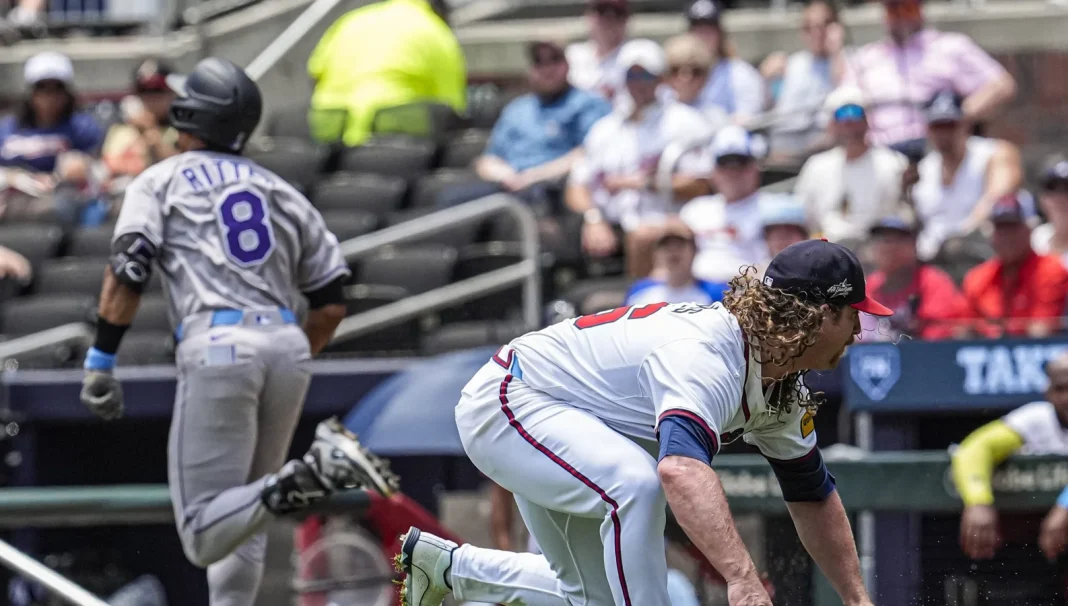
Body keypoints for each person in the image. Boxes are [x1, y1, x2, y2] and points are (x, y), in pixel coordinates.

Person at [396, 239, 888, 606]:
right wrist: (742, 579)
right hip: (511, 399)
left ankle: (453, 569)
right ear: (823, 315)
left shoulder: (781, 383)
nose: (861, 328)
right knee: (636, 486)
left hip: (568, 418)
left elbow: (812, 495)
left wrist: (857, 600)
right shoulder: (708, 355)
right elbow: (678, 470)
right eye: (855, 314)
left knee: (595, 597)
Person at [77, 57, 398, 606]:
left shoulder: (159, 178)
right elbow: (330, 305)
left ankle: (311, 472)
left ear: (186, 114)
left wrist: (101, 360)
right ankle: (296, 484)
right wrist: (288, 354)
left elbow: (130, 268)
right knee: (245, 517)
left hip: (218, 343)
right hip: (287, 344)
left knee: (203, 532)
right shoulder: (283, 189)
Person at [565, 40, 714, 277]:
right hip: (612, 229)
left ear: (660, 79)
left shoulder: (686, 122)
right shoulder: (605, 128)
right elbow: (576, 186)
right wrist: (593, 219)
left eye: (646, 76)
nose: (638, 84)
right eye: (631, 77)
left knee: (642, 236)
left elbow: (701, 184)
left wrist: (644, 182)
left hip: (667, 226)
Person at [450, 40, 611, 209]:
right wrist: (505, 175)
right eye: (539, 62)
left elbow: (588, 154)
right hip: (507, 185)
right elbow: (489, 159)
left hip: (552, 190)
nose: (547, 69)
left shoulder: (587, 103)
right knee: (449, 199)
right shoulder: (517, 109)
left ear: (568, 65)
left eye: (554, 60)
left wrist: (533, 176)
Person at [840, 0, 1016, 147]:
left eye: (907, 7)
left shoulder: (950, 47)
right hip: (880, 152)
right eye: (893, 9)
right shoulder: (866, 57)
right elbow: (843, 101)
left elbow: (1001, 85)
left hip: (936, 149)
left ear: (920, 9)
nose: (900, 16)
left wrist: (958, 117)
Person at [952, 350, 1068, 562]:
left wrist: (1064, 507)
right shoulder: (1038, 417)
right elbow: (975, 449)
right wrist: (978, 501)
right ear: (1048, 393)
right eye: (1061, 389)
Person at [306, 0, 465, 147]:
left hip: (331, 137)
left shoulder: (351, 20)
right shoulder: (435, 30)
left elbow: (314, 72)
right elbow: (451, 108)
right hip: (393, 142)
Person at [911, 90, 1022, 261]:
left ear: (966, 124)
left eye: (950, 125)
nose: (944, 133)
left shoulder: (993, 153)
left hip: (980, 251)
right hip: (932, 258)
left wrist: (962, 234)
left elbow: (997, 198)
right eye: (937, 126)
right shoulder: (924, 168)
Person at [794, 88, 907, 243]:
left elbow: (897, 217)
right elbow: (806, 219)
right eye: (841, 114)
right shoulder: (816, 167)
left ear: (867, 119)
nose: (848, 122)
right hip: (827, 248)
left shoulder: (893, 164)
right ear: (832, 123)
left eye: (855, 112)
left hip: (874, 249)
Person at [960, 191, 1068, 339]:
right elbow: (963, 334)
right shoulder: (977, 278)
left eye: (1013, 227)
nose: (1006, 237)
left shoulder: (1051, 270)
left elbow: (1040, 334)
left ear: (1029, 229)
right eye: (1000, 228)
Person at [680, 125, 770, 283]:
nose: (733, 172)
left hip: (751, 291)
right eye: (725, 164)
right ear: (713, 170)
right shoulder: (694, 209)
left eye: (741, 164)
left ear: (755, 167)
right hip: (696, 292)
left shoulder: (775, 208)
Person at [859, 215, 967, 341]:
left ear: (914, 246)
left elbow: (940, 336)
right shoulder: (869, 286)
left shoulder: (933, 282)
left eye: (899, 239)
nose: (889, 246)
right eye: (882, 239)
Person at [765, 0, 847, 156]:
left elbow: (844, 89)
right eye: (809, 28)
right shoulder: (789, 65)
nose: (817, 33)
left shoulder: (848, 61)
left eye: (823, 25)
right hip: (787, 142)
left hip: (828, 143)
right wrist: (765, 80)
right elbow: (768, 108)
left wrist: (836, 52)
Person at [684, 0, 765, 126]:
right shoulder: (677, 75)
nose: (703, 37)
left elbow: (749, 119)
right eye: (697, 30)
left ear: (720, 34)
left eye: (709, 30)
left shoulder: (740, 73)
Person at [102, 58, 180, 181]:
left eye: (157, 90)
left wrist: (153, 135)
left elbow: (181, 170)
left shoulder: (184, 131)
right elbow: (110, 167)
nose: (150, 98)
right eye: (143, 90)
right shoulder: (121, 130)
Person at [624, 221, 727, 306]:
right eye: (666, 245)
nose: (673, 250)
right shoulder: (639, 293)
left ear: (695, 250)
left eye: (680, 244)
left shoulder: (717, 293)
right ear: (656, 253)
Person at [565, 0, 633, 106]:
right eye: (602, 11)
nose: (609, 19)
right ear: (588, 16)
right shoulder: (572, 55)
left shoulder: (635, 56)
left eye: (617, 13)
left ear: (627, 19)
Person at [662, 33, 730, 129]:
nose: (685, 78)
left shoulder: (717, 119)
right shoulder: (654, 116)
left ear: (707, 76)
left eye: (695, 71)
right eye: (676, 70)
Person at [1030, 155, 1068, 268]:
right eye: (1051, 188)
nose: (1060, 197)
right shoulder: (1035, 238)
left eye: (1067, 189)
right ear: (1041, 199)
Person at [759, 193, 809, 259]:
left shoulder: (822, 264)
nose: (783, 240)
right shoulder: (756, 267)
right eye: (777, 233)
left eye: (789, 231)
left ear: (804, 236)